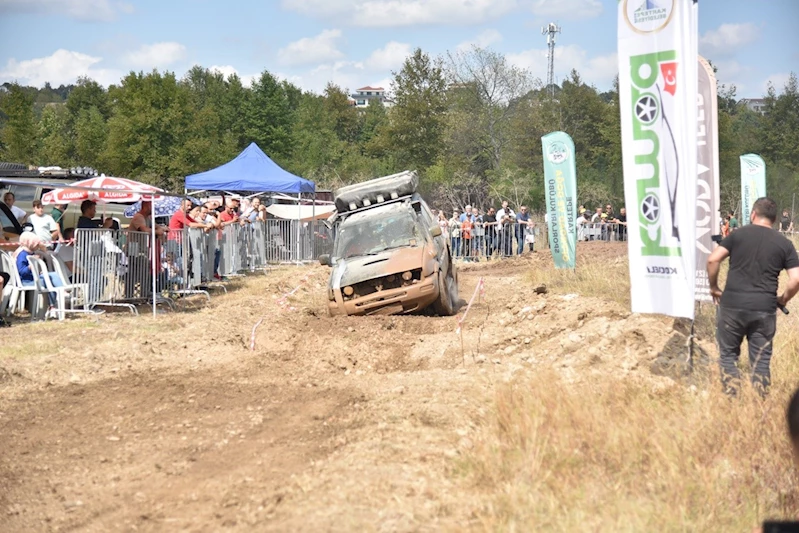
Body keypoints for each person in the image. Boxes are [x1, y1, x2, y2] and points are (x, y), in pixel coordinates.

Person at [707, 197, 799, 396]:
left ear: (753, 214)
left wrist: (714, 288)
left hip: (732, 305)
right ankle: (759, 404)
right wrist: (783, 299)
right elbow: (796, 279)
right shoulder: (784, 243)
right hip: (764, 309)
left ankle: (732, 400)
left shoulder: (737, 235)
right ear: (774, 220)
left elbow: (713, 260)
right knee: (761, 360)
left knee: (728, 356)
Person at [15, 232, 63, 318]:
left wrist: (38, 272)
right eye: (36, 244)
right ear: (29, 243)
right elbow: (22, 272)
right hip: (27, 281)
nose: (38, 245)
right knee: (48, 280)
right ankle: (55, 302)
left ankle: (60, 294)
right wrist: (31, 266)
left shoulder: (31, 253)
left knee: (52, 275)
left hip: (34, 278)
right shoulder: (22, 255)